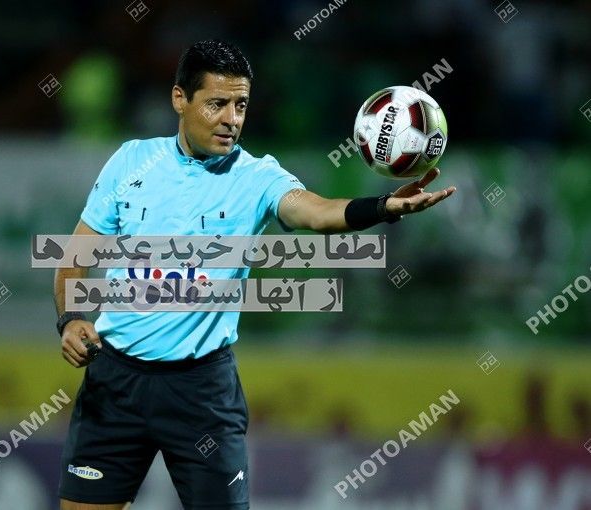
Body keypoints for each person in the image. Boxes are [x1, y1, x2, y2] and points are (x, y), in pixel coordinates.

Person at [55, 39, 456, 510]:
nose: (232, 119)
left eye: (241, 105)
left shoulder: (258, 177)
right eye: (217, 104)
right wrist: (71, 318)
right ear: (180, 99)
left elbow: (317, 213)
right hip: (114, 383)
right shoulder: (130, 161)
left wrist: (383, 207)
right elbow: (76, 255)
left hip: (201, 394)